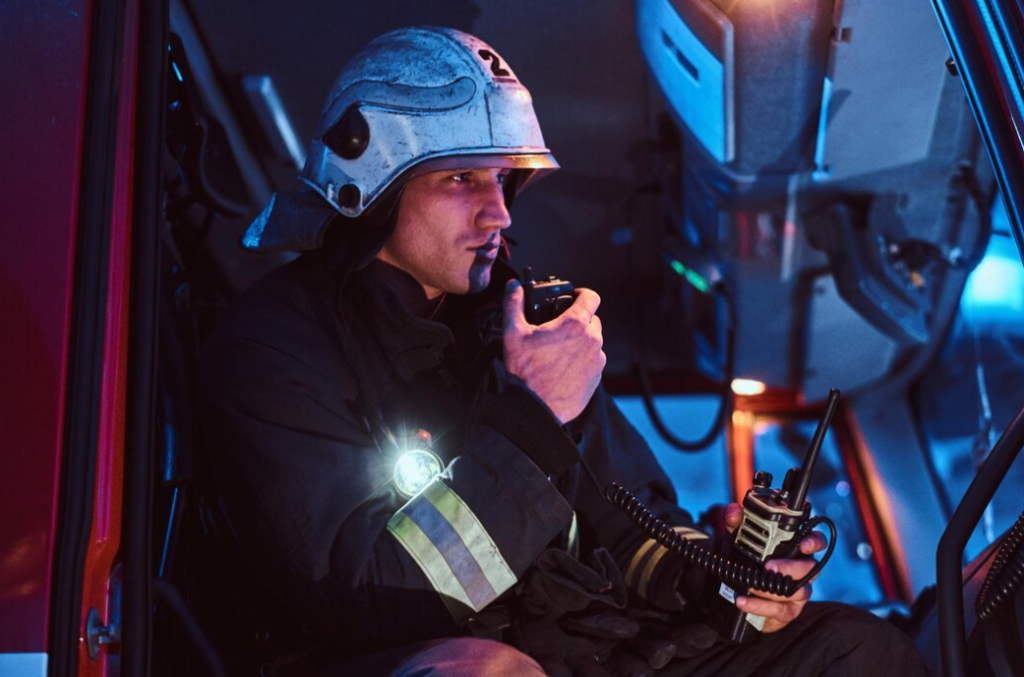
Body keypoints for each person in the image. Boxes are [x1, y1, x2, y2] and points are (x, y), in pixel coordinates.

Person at [198, 26, 928, 677]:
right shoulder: (273, 347)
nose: (501, 212)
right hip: (425, 654)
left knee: (855, 647)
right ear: (371, 185)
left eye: (504, 180)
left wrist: (721, 573)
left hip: (591, 650)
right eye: (462, 179)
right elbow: (374, 598)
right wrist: (533, 412)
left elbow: (627, 514)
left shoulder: (512, 321)